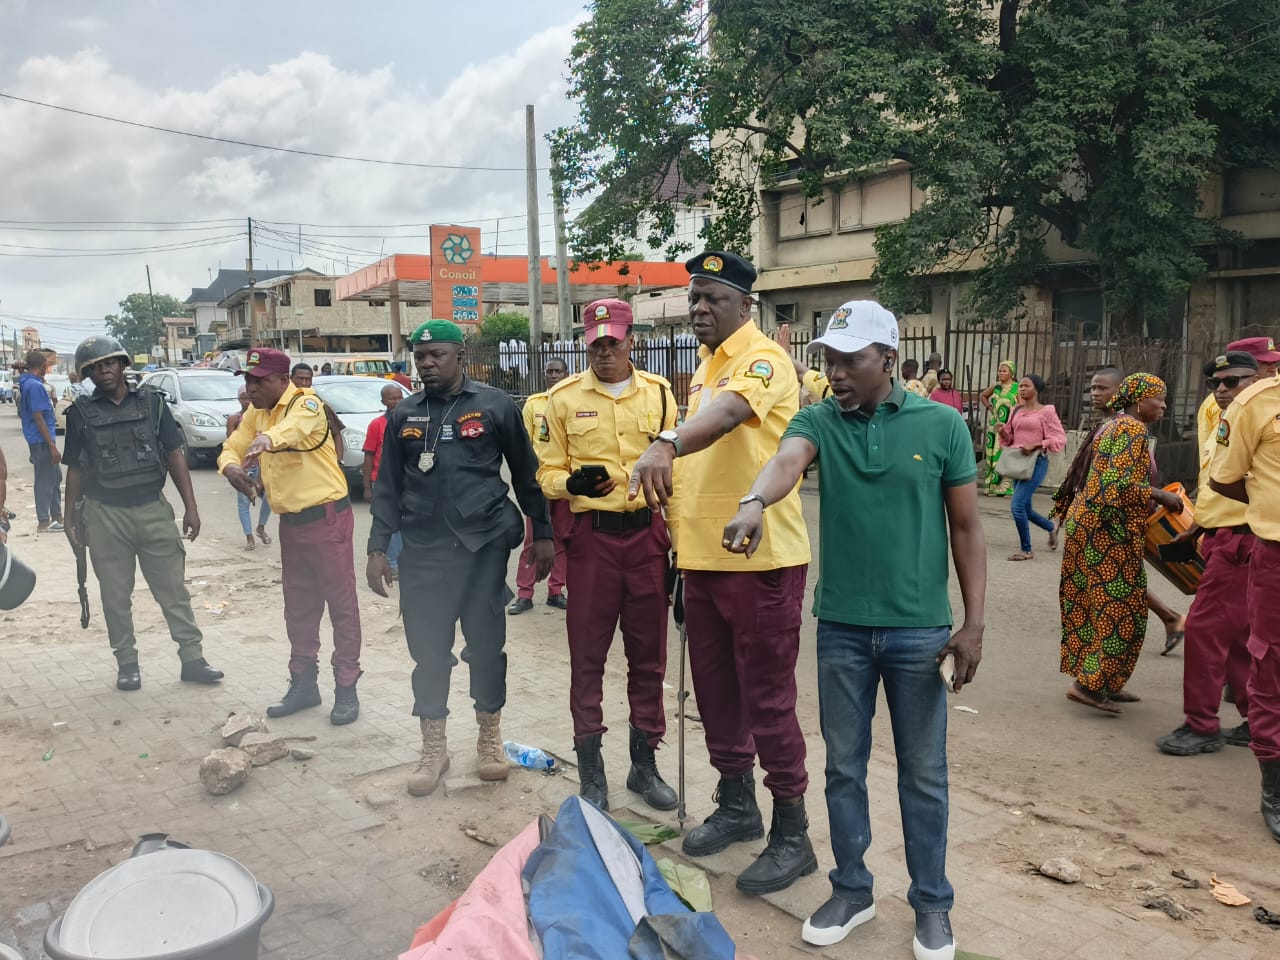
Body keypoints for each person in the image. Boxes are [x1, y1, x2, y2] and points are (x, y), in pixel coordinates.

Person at [722, 300, 986, 959]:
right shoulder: (817, 420)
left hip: (919, 632)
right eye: (828, 361)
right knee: (844, 767)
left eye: (849, 361)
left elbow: (967, 528)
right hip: (840, 629)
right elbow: (787, 462)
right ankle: (852, 890)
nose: (834, 373)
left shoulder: (943, 423)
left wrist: (974, 622)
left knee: (924, 773)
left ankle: (931, 905)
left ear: (887, 360)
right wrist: (754, 500)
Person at [629, 251, 815, 895]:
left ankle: (793, 832)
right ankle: (738, 805)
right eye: (695, 298)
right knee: (715, 694)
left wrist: (667, 441)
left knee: (767, 699)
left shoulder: (760, 360)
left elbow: (729, 418)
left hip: (760, 562)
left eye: (713, 298)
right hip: (704, 559)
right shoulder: (705, 367)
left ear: (745, 305)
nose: (701, 309)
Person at [366, 320, 553, 797]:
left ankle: (489, 739)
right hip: (423, 552)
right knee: (428, 653)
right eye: (420, 356)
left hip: (482, 549)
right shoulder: (404, 413)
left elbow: (527, 474)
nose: (427, 363)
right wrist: (377, 547)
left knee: (486, 647)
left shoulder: (494, 405)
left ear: (459, 355)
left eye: (437, 355)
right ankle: (434, 747)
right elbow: (387, 486)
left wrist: (543, 534)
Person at [538, 299, 679, 812]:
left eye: (612, 342)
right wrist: (568, 481)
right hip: (593, 543)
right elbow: (545, 473)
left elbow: (676, 479)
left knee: (649, 659)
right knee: (588, 658)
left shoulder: (660, 395)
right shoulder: (562, 398)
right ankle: (592, 772)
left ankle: (645, 765)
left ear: (631, 341)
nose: (604, 351)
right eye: (595, 343)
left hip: (646, 541)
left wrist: (680, 554)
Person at [62, 336, 222, 691]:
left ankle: (193, 659)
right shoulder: (80, 414)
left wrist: (191, 508)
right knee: (115, 596)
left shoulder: (153, 404)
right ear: (87, 374)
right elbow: (75, 468)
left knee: (173, 590)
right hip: (105, 514)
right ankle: (127, 664)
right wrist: (69, 518)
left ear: (122, 365)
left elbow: (175, 455)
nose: (104, 370)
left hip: (152, 508)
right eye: (95, 367)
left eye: (109, 363)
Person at [218, 347, 362, 726]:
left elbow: (293, 429)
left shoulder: (307, 403)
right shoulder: (257, 412)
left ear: (282, 381)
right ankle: (304, 685)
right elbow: (232, 446)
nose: (251, 388)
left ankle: (346, 687)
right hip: (292, 526)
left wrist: (266, 441)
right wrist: (231, 467)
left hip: (327, 520)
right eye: (247, 381)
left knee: (341, 607)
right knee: (298, 609)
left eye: (259, 381)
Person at [1059, 374, 1184, 714]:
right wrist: (1159, 496)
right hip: (1105, 532)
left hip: (1098, 528)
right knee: (1121, 611)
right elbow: (1109, 486)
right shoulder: (1130, 429)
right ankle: (1088, 685)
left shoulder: (1118, 426)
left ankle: (1106, 683)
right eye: (1158, 398)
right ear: (1139, 399)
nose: (1163, 405)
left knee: (1102, 608)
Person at [1155, 351, 1258, 756]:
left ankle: (1202, 725)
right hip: (1224, 536)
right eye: (1216, 383)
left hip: (1243, 540)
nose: (1221, 390)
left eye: (1232, 382)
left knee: (1203, 630)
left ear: (1260, 379)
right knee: (1240, 639)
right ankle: (1257, 718)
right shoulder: (1225, 421)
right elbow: (1216, 486)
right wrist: (1197, 528)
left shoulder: (1262, 425)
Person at [1209, 364, 1280, 842]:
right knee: (1270, 663)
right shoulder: (1255, 403)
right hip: (1275, 551)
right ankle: (1275, 787)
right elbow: (1224, 477)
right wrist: (1263, 501)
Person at [509, 357, 571, 614]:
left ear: (567, 374)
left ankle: (556, 591)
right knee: (533, 540)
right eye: (549, 371)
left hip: (568, 483)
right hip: (540, 484)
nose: (553, 375)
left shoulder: (574, 401)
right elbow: (525, 445)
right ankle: (525, 593)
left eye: (558, 371)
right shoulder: (534, 405)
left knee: (562, 540)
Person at [999, 374, 1066, 561]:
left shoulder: (1046, 411)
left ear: (1036, 389)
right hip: (1018, 463)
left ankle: (1026, 550)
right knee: (1025, 510)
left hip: (1037, 462)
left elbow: (1060, 438)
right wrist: (1002, 431)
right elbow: (1010, 439)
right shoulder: (1016, 410)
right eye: (1020, 386)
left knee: (1017, 505)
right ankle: (1051, 527)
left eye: (1026, 386)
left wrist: (1037, 444)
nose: (1021, 389)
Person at [17, 350, 64, 532]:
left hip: (39, 439)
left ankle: (56, 515)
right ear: (43, 366)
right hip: (42, 440)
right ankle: (44, 521)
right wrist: (52, 446)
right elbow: (38, 417)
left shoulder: (28, 382)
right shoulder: (35, 387)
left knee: (55, 477)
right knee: (45, 480)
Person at [361, 383, 405, 577]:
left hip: (405, 481)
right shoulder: (376, 424)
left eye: (398, 397)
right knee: (389, 522)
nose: (396, 402)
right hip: (381, 481)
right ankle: (393, 563)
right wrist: (367, 488)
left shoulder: (411, 420)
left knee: (406, 524)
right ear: (383, 402)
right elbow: (369, 456)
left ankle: (403, 560)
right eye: (391, 399)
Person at [227, 386, 272, 551]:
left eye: (250, 397)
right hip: (243, 466)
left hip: (260, 465)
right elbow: (232, 444)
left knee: (268, 497)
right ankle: (249, 536)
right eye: (244, 397)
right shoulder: (235, 419)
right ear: (239, 399)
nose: (248, 400)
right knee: (244, 502)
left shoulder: (262, 416)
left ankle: (261, 527)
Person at [980, 361, 1019, 497]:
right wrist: (989, 408)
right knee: (992, 455)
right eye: (1000, 371)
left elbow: (1021, 407)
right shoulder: (996, 387)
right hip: (994, 427)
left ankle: (1006, 488)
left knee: (1005, 455)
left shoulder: (1017, 388)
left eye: (1004, 371)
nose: (1001, 373)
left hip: (1008, 429)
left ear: (1012, 373)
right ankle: (991, 486)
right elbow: (983, 396)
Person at [291, 362, 345, 455]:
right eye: (300, 379)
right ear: (291, 379)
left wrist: (339, 461)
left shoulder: (320, 404)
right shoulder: (282, 403)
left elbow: (336, 434)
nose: (304, 383)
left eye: (307, 379)